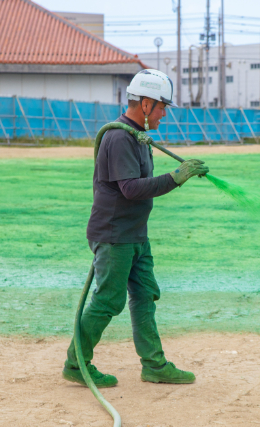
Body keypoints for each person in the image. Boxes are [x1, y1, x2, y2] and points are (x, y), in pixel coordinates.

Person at [62, 69, 209, 387]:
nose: (164, 114)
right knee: (108, 300)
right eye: (161, 107)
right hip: (115, 235)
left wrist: (176, 176)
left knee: (145, 295)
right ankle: (76, 364)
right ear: (145, 104)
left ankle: (154, 365)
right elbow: (129, 188)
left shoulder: (138, 137)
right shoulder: (118, 138)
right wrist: (175, 178)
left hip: (135, 234)